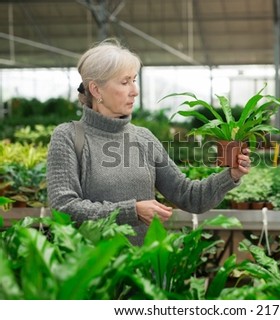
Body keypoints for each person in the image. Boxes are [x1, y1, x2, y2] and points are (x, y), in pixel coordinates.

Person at [46, 38, 251, 245]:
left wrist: (230, 175)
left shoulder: (143, 138)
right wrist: (131, 211)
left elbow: (188, 195)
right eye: (125, 82)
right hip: (93, 270)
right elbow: (64, 208)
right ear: (96, 90)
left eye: (134, 80)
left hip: (143, 269)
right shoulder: (68, 137)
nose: (134, 90)